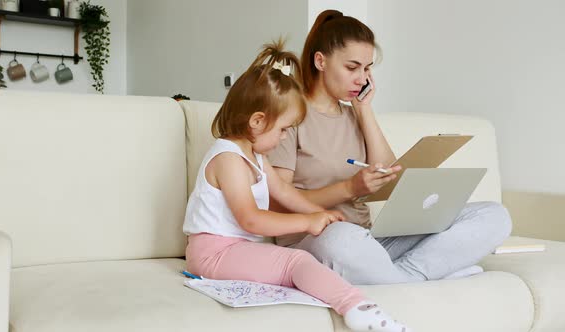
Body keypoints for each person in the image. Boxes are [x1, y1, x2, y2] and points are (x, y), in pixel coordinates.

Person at [267, 10, 513, 285]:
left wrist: (364, 111)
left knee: (494, 215)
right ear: (321, 61)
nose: (361, 79)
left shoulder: (355, 115)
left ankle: (400, 278)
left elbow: (389, 182)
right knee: (340, 237)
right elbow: (278, 203)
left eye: (367, 68)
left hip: (369, 242)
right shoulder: (289, 116)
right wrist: (349, 189)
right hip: (316, 242)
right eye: (352, 67)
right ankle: (425, 275)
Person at [183, 40, 413, 332]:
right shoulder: (228, 157)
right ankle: (358, 309)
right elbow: (251, 218)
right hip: (212, 255)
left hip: (234, 249)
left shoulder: (254, 155)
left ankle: (361, 305)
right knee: (296, 262)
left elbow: (284, 192)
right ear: (257, 121)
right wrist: (306, 221)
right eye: (282, 130)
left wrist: (320, 214)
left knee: (298, 263)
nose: (282, 139)